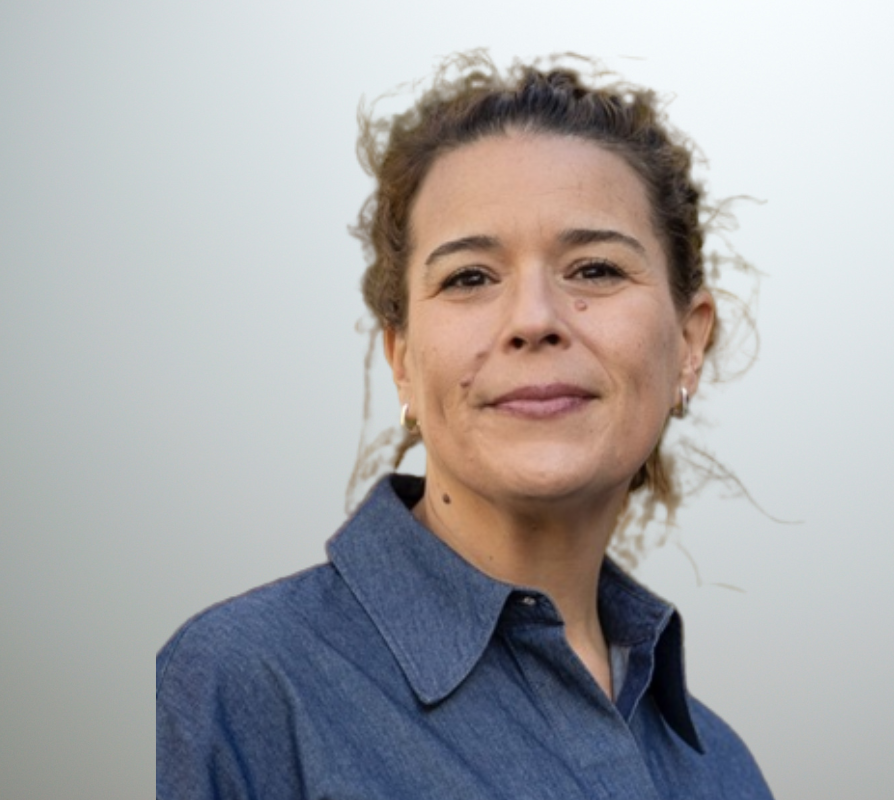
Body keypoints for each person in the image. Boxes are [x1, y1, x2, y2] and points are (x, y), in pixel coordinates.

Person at [156, 53, 774, 800]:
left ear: (690, 339)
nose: (534, 320)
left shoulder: (726, 773)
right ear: (403, 359)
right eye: (470, 278)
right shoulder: (237, 683)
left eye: (596, 270)